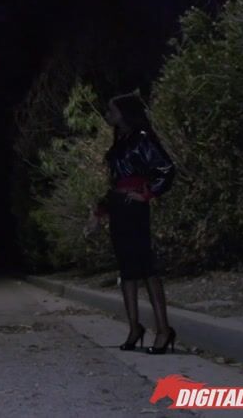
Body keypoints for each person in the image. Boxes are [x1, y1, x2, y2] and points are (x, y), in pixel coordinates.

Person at [93, 92, 177, 354]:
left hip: (134, 208)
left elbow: (166, 168)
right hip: (120, 207)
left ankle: (163, 329)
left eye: (112, 110)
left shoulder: (142, 138)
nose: (108, 115)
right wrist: (102, 209)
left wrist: (147, 193)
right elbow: (115, 182)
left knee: (146, 266)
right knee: (127, 268)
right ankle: (134, 328)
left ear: (124, 112)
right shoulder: (120, 141)